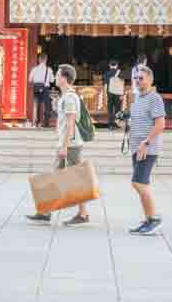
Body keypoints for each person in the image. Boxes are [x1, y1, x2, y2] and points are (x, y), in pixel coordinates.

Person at [26, 64, 91, 226]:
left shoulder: (69, 97)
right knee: (57, 177)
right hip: (68, 144)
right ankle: (46, 212)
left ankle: (82, 214)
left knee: (74, 179)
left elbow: (70, 123)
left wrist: (64, 146)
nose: (55, 77)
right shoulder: (65, 96)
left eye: (57, 74)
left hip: (71, 145)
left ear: (64, 78)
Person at [125, 63, 166, 235]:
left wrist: (146, 142)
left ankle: (153, 219)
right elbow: (134, 122)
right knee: (143, 183)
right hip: (136, 147)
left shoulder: (154, 98)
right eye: (135, 78)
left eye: (141, 78)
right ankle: (148, 218)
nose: (137, 81)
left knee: (138, 182)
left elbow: (160, 123)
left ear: (150, 80)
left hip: (147, 148)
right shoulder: (137, 99)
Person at [28, 52, 53, 128]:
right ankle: (46, 123)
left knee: (37, 104)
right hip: (45, 88)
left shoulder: (34, 69)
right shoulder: (49, 70)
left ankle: (37, 122)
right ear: (46, 60)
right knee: (47, 105)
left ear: (39, 60)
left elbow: (30, 80)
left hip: (36, 88)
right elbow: (52, 80)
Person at [105, 60, 125, 129]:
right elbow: (122, 83)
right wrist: (122, 94)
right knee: (118, 109)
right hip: (118, 93)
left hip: (110, 93)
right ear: (117, 65)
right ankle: (117, 124)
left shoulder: (107, 73)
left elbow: (105, 85)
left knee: (110, 109)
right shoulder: (120, 72)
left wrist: (106, 94)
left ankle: (110, 125)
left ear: (110, 65)